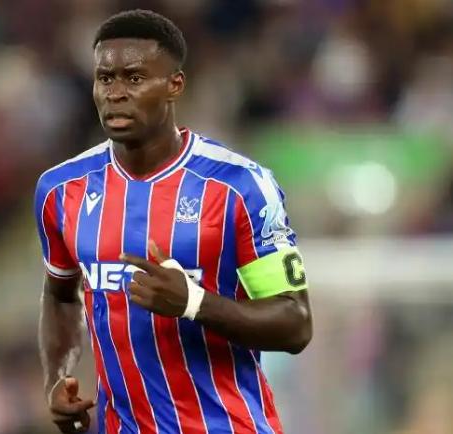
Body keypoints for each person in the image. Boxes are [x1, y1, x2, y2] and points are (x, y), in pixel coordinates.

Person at [34, 9, 312, 434]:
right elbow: (60, 294)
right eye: (105, 79)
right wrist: (57, 377)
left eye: (134, 78)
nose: (116, 93)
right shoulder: (61, 189)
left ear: (174, 85)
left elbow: (295, 323)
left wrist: (194, 303)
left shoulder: (239, 186)